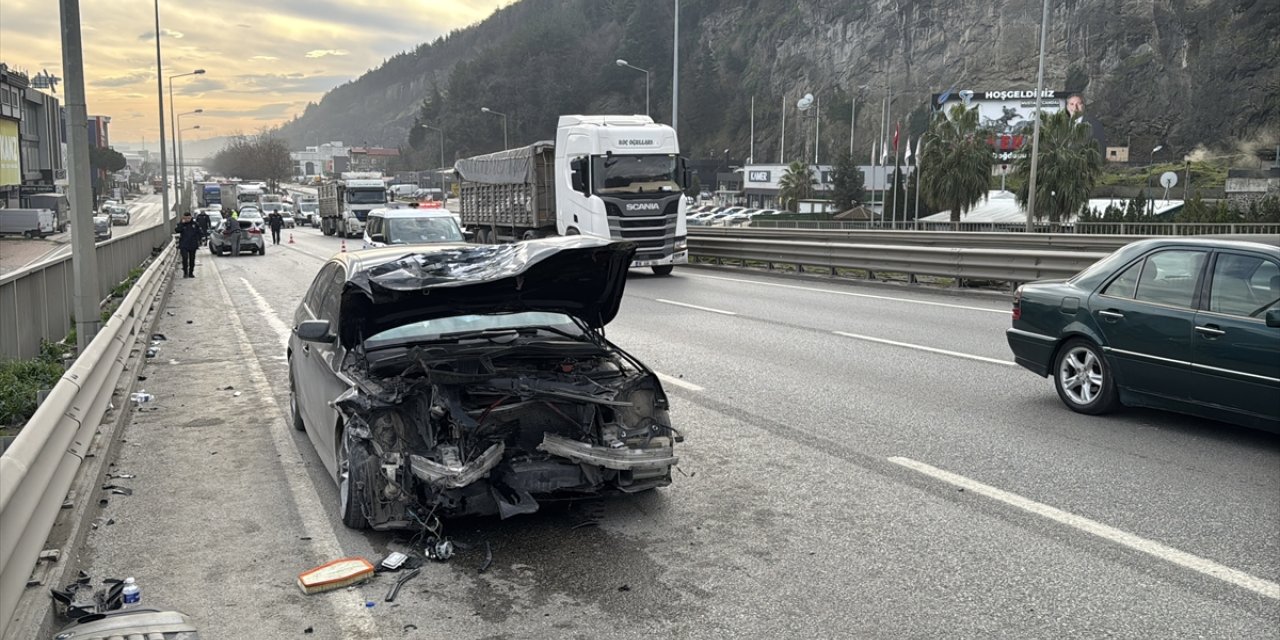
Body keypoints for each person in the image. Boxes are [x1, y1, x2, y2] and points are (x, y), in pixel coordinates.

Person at [176, 212, 201, 278]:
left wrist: (199, 240)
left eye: (189, 218)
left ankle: (191, 272)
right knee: (185, 258)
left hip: (193, 244)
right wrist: (182, 223)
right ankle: (185, 272)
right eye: (186, 218)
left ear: (191, 217)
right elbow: (177, 230)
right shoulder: (182, 224)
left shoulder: (195, 224)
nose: (187, 219)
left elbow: (199, 233)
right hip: (184, 244)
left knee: (192, 259)